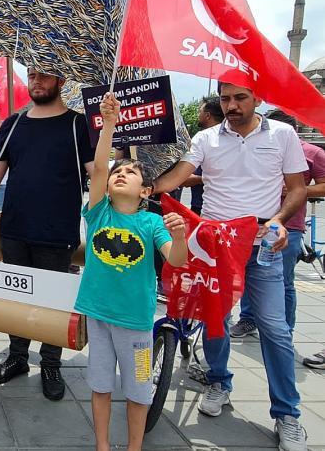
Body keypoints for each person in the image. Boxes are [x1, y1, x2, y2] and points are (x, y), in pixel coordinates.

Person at [154, 82, 308, 451]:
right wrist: (146, 187)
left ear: (258, 98)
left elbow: (298, 187)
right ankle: (218, 381)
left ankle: (288, 414)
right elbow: (178, 176)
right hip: (214, 246)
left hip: (261, 247)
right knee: (215, 319)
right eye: (225, 98)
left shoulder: (283, 134)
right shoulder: (206, 138)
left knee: (274, 328)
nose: (232, 105)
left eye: (240, 98)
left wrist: (280, 219)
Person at [0, 68, 94, 400]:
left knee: (53, 302)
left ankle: (51, 363)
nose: (36, 81)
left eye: (46, 75)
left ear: (61, 81)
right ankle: (18, 356)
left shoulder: (79, 125)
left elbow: (97, 173)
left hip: (57, 231)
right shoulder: (13, 123)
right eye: (32, 75)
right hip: (15, 229)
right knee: (17, 298)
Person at [77, 92, 187, 451]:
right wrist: (108, 125)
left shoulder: (153, 223)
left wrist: (180, 235)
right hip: (98, 315)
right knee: (100, 384)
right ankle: (103, 445)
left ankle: (134, 446)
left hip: (137, 324)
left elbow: (177, 261)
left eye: (130, 172)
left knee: (139, 388)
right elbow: (98, 166)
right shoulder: (99, 214)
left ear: (145, 191)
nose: (120, 174)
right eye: (117, 172)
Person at [231, 109, 325, 341]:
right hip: (252, 224)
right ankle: (248, 319)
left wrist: (297, 189)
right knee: (250, 274)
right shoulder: (254, 147)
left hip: (289, 226)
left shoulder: (313, 153)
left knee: (283, 281)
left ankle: (285, 329)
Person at [185, 96, 224, 216]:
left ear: (207, 115)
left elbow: (183, 178)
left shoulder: (203, 139)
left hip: (204, 209)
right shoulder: (204, 139)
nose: (198, 115)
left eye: (199, 111)